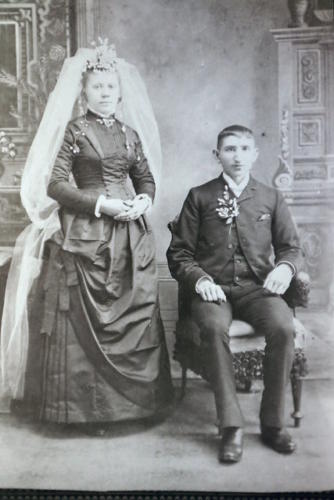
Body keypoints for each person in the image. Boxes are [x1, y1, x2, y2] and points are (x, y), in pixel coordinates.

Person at [0, 42, 173, 430]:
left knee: (133, 309)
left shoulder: (129, 134)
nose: (105, 93)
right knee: (84, 316)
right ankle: (83, 412)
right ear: (84, 92)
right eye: (98, 87)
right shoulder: (74, 131)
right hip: (86, 233)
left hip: (129, 233)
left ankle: (135, 408)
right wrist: (101, 205)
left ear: (120, 91)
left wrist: (143, 199)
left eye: (111, 87)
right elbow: (56, 185)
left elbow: (144, 176)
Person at [167, 125, 304, 463]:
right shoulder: (199, 196)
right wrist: (200, 281)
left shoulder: (271, 197)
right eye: (230, 149)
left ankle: (272, 424)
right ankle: (231, 426)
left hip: (257, 290)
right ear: (218, 155)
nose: (237, 156)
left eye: (244, 149)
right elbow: (179, 254)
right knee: (214, 328)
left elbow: (290, 247)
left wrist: (284, 269)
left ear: (255, 154)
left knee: (284, 327)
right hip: (213, 293)